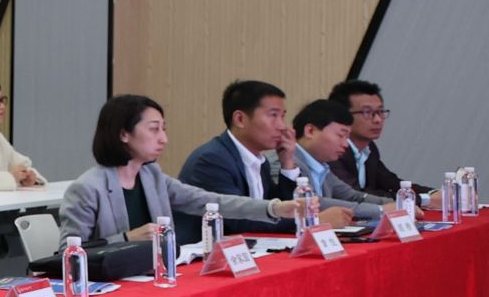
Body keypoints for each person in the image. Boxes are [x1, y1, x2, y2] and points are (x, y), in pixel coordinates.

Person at [62, 94, 325, 244]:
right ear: (123, 134)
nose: (163, 139)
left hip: (154, 277)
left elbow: (209, 201)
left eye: (163, 129)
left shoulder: (152, 176)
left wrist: (274, 208)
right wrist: (126, 239)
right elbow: (67, 255)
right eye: (154, 129)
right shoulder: (88, 188)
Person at [175, 81, 369, 243]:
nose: (282, 126)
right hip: (203, 260)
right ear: (240, 119)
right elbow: (239, 219)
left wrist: (287, 163)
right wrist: (313, 220)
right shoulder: (212, 159)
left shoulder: (260, 161)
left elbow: (282, 205)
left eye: (283, 116)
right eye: (273, 115)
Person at [285, 99, 392, 210]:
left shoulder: (322, 166)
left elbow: (353, 196)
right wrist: (381, 210)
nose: (345, 144)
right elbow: (313, 203)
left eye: (347, 138)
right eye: (341, 135)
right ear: (310, 131)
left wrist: (396, 204)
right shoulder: (286, 162)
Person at [328, 80, 402, 195]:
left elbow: (391, 182)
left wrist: (430, 194)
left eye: (380, 111)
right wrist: (417, 199)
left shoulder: (369, 148)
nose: (377, 120)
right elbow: (354, 194)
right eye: (367, 112)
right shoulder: (332, 151)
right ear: (342, 115)